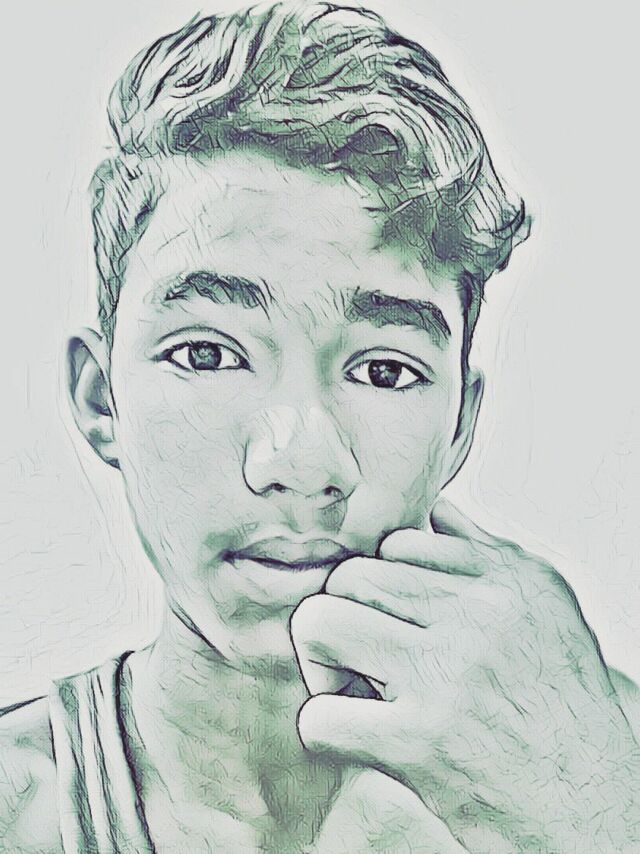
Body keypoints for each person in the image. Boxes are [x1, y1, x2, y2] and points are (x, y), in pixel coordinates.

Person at [1, 2, 638, 851]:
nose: (300, 462)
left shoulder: (607, 761)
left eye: (384, 371)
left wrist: (597, 815)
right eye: (207, 355)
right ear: (99, 398)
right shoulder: (16, 805)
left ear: (459, 425)